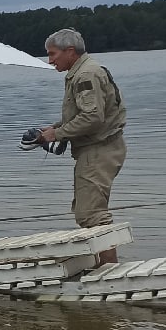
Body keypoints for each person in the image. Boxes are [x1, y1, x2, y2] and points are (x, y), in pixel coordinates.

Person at [37, 27, 127, 261]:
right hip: (101, 148)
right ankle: (105, 267)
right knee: (90, 211)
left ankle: (109, 271)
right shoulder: (84, 71)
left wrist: (56, 135)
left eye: (53, 54)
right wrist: (55, 129)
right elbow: (86, 113)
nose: (50, 60)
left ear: (70, 51)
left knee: (92, 214)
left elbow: (92, 118)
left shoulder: (86, 75)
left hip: (99, 150)